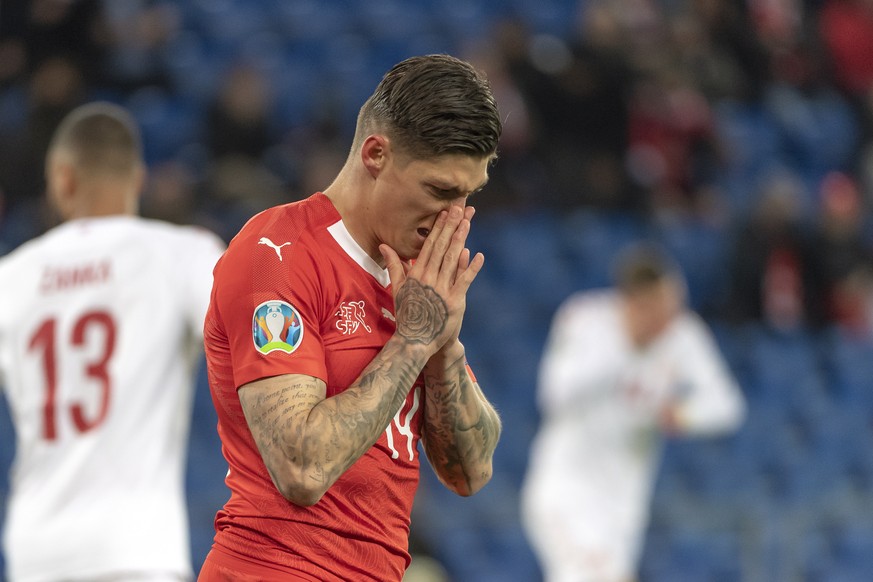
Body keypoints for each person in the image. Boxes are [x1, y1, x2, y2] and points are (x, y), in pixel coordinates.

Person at [198, 53, 504, 581]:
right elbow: (301, 468)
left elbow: (471, 472)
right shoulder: (276, 254)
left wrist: (444, 347)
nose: (455, 217)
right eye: (439, 191)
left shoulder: (415, 281)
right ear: (375, 154)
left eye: (467, 196)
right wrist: (411, 343)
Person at [0, 102, 225, 581]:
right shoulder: (180, 253)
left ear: (62, 179)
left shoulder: (10, 277)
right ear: (137, 179)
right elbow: (247, 335)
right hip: (135, 545)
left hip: (36, 550)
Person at [520, 244, 746, 582]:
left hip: (624, 505)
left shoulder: (682, 334)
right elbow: (553, 394)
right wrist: (623, 351)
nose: (669, 317)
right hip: (567, 491)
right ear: (635, 302)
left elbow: (727, 406)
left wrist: (683, 415)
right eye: (661, 307)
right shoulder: (584, 319)